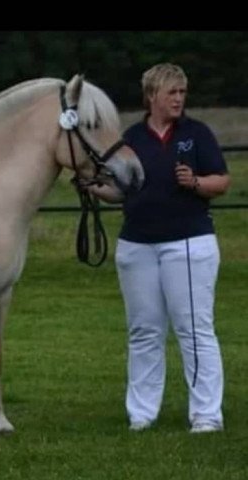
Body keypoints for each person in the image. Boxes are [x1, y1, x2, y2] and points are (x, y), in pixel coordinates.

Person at [88, 63, 231, 433]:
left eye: (182, 93)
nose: (179, 99)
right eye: (172, 93)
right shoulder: (130, 138)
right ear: (152, 95)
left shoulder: (197, 134)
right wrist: (92, 187)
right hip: (137, 245)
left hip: (188, 242)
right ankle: (141, 412)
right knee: (144, 330)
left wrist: (197, 181)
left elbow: (222, 181)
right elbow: (119, 191)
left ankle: (206, 414)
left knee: (194, 329)